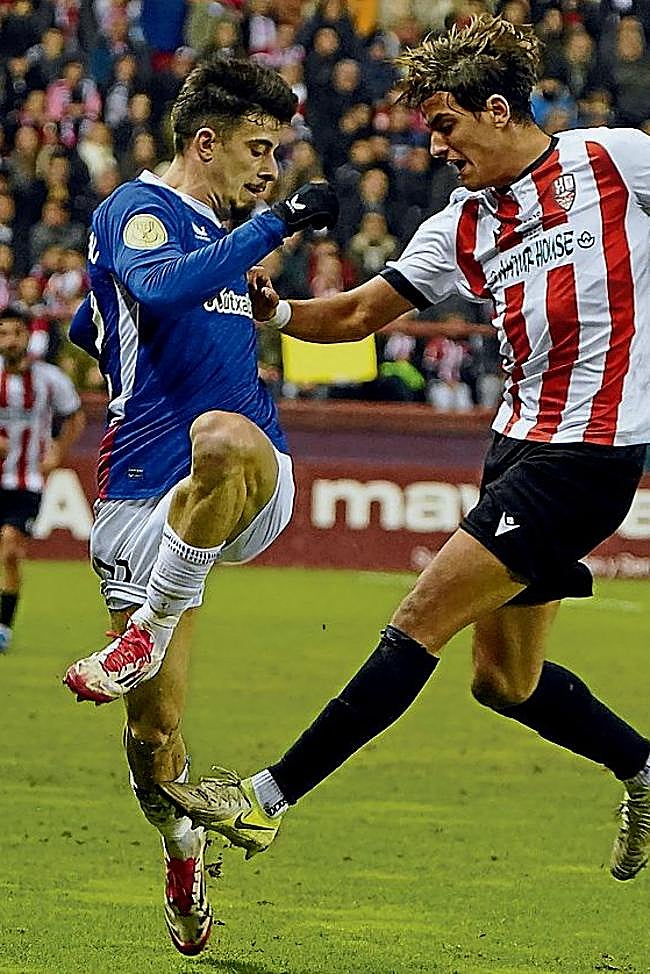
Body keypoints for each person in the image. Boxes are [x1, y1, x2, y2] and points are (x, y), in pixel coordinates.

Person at [160, 16, 650, 887]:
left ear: (498, 110)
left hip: (590, 455)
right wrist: (272, 312)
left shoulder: (613, 160)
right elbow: (350, 316)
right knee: (503, 681)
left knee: (419, 616)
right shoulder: (459, 226)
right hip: (514, 449)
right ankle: (644, 769)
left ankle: (267, 799)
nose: (436, 146)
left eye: (446, 125)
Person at [60, 56, 337, 956]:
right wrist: (276, 226)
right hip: (141, 493)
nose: (271, 169)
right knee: (154, 734)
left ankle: (147, 628)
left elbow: (153, 302)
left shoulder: (215, 237)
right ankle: (181, 852)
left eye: (280, 154)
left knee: (221, 434)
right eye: (259, 149)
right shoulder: (141, 213)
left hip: (248, 474)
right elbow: (147, 291)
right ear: (204, 142)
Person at [0, 305, 83, 651]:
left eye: (16, 333)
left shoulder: (50, 379)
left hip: (27, 482)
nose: (10, 340)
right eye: (3, 333)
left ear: (27, 336)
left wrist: (57, 453)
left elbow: (75, 416)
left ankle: (3, 626)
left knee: (8, 549)